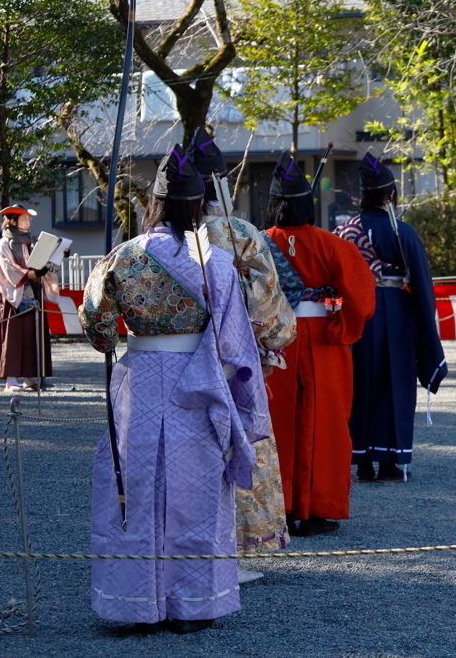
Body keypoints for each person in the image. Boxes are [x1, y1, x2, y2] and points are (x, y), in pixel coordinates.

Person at [79, 144, 269, 634]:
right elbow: (237, 348)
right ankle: (193, 605)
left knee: (137, 488)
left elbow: (98, 329)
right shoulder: (218, 265)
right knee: (196, 491)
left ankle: (133, 604)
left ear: (155, 204)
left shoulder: (123, 257)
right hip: (198, 385)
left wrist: (110, 323)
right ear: (199, 205)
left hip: (140, 382)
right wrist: (246, 410)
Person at [187, 127, 296, 579]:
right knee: (240, 445)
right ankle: (237, 548)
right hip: (235, 361)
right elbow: (271, 312)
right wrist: (270, 337)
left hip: (178, 359)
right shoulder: (239, 233)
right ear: (218, 184)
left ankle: (188, 548)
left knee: (190, 449)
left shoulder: (160, 240)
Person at [261, 152, 375, 536]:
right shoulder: (332, 244)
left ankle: (277, 506)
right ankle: (316, 508)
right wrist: (341, 329)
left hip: (275, 343)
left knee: (276, 423)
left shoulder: (256, 246)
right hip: (323, 342)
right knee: (325, 424)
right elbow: (361, 298)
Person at [335, 153, 447, 483]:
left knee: (360, 384)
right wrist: (428, 327)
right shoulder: (403, 232)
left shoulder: (343, 231)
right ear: (391, 194)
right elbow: (422, 284)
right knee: (395, 384)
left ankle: (363, 462)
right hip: (397, 310)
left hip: (357, 313)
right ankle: (390, 462)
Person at [0, 204, 59, 392]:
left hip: (32, 294)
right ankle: (11, 380)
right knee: (13, 337)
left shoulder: (30, 241)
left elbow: (42, 265)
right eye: (23, 219)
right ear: (12, 220)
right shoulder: (4, 244)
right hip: (12, 295)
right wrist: (34, 272)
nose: (28, 222)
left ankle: (31, 378)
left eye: (29, 219)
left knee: (32, 335)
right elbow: (10, 270)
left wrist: (57, 255)